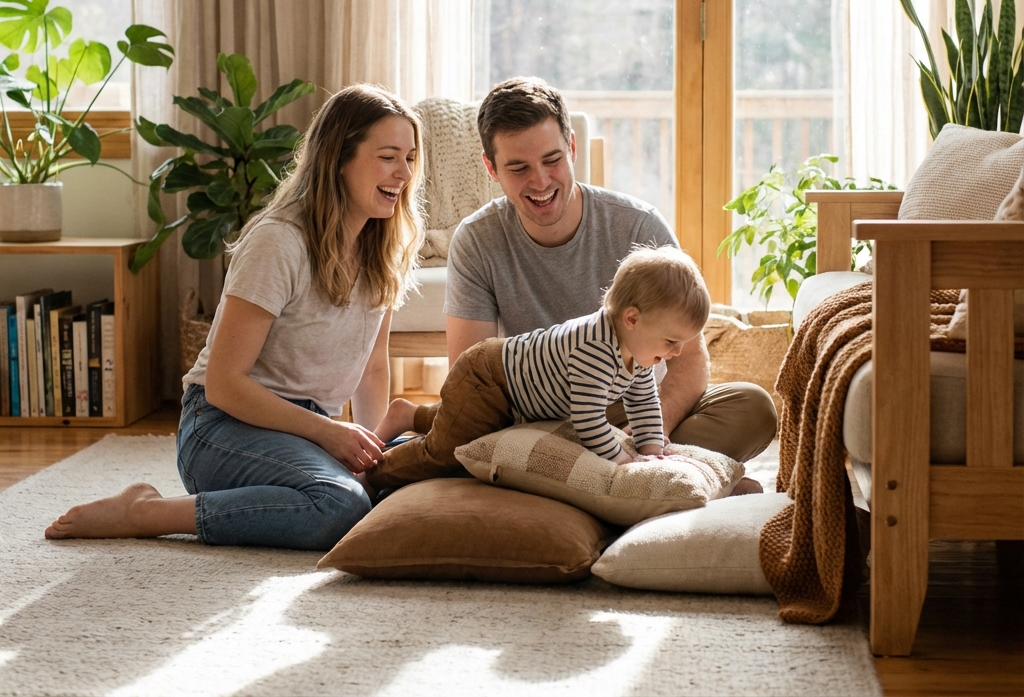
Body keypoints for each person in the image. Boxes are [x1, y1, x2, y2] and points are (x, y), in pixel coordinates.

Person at [45, 85, 424, 550]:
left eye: (409, 158)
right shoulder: (279, 242)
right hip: (221, 427)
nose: (403, 172)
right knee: (340, 505)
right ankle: (144, 511)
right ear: (338, 158)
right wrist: (329, 434)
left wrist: (372, 455)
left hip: (303, 433)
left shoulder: (382, 250)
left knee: (421, 467)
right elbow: (224, 384)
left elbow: (372, 368)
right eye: (389, 156)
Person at [442, 77, 777, 466]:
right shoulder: (476, 240)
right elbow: (470, 373)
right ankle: (649, 478)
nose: (540, 181)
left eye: (552, 160)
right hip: (536, 416)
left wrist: (653, 431)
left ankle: (609, 475)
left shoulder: (637, 226)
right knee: (478, 437)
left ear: (571, 147)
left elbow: (688, 358)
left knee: (752, 407)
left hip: (632, 409)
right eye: (518, 168)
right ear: (491, 168)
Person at [368, 245, 759, 493]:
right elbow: (587, 422)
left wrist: (654, 450)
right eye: (672, 341)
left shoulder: (640, 351)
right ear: (633, 319)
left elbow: (644, 404)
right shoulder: (594, 347)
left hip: (521, 394)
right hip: (490, 378)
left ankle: (408, 414)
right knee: (446, 452)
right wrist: (626, 462)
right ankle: (373, 472)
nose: (675, 353)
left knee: (461, 423)